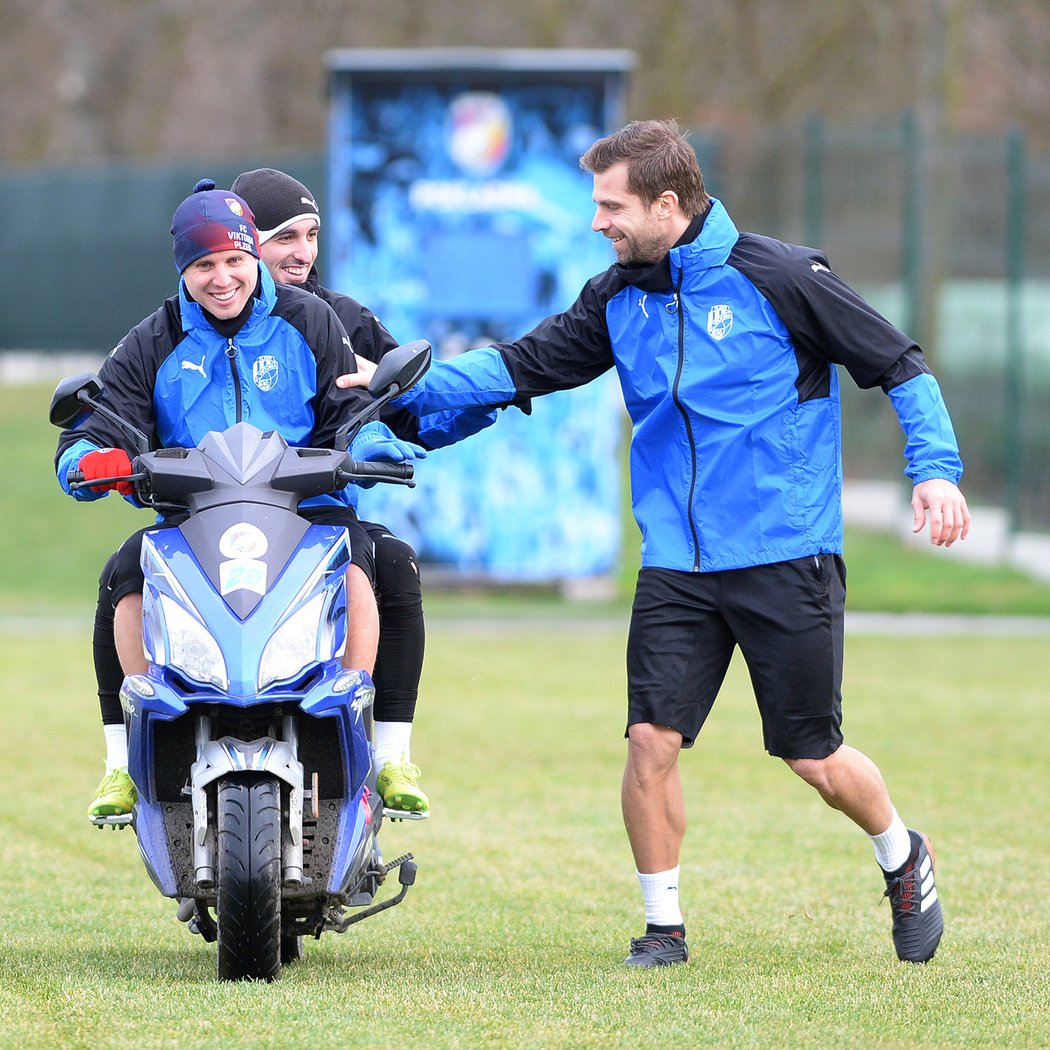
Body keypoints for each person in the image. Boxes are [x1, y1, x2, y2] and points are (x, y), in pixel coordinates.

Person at [338, 119, 970, 967]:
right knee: (649, 741)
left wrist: (935, 470)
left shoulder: (781, 276)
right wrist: (397, 388)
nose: (598, 222)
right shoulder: (617, 296)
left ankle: (902, 855)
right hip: (676, 561)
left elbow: (901, 364)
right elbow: (522, 365)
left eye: (611, 205)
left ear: (667, 203)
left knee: (813, 757)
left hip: (786, 552)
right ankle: (663, 927)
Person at [56, 179, 426, 824]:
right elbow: (92, 429)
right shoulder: (153, 339)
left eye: (233, 259)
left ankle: (373, 747)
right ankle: (124, 761)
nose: (222, 278)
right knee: (124, 572)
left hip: (308, 507)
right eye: (203, 265)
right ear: (183, 270)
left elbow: (349, 406)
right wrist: (90, 463)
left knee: (363, 561)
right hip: (193, 514)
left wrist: (375, 443)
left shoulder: (310, 318)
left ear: (252, 253)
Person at [229, 167, 502, 818]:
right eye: (283, 236)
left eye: (312, 234)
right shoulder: (193, 324)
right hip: (222, 520)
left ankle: (387, 754)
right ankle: (133, 760)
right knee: (126, 571)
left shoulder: (345, 319)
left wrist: (477, 404)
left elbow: (405, 415)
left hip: (321, 515)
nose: (303, 251)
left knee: (395, 564)